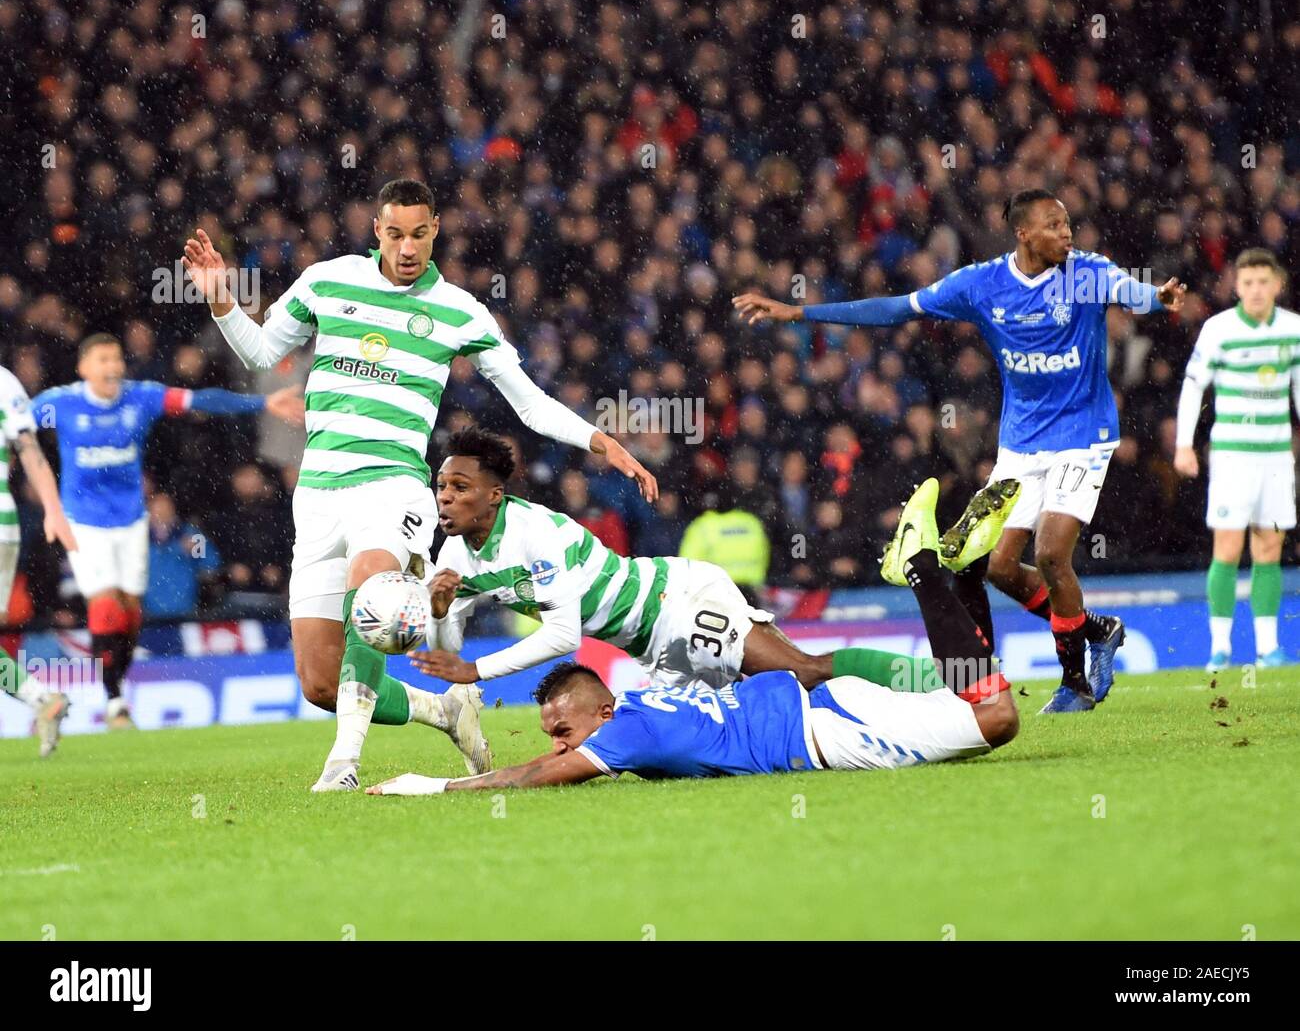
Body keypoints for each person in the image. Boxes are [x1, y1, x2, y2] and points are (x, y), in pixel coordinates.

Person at [182, 178, 659, 792]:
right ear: (377, 231)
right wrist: (222, 300)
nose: (408, 247)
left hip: (394, 485)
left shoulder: (460, 311)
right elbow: (259, 352)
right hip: (319, 491)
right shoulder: (328, 280)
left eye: (421, 234)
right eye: (396, 233)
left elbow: (531, 404)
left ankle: (343, 767)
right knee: (321, 684)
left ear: (436, 230)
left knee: (371, 592)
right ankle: (445, 710)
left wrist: (603, 442)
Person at [735, 188, 1187, 713]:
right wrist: (798, 313)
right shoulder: (981, 283)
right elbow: (895, 309)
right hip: (1021, 442)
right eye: (1053, 226)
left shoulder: (1085, 273)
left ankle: (1073, 683)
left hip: (1083, 436)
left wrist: (1157, 297)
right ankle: (1096, 629)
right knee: (995, 566)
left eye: (1068, 225)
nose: (1066, 235)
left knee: (1050, 553)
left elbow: (1128, 289)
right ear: (1023, 233)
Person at [365, 477, 1020, 795]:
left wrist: (436, 786)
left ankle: (922, 564)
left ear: (603, 710)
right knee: (955, 682)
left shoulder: (629, 729)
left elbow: (536, 773)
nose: (562, 742)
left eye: (565, 726)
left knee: (993, 715)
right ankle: (959, 575)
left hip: (826, 730)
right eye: (558, 733)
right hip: (812, 698)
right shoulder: (661, 681)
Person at [407, 428, 1021, 704]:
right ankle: (941, 689)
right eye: (441, 487)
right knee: (719, 725)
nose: (445, 498)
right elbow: (444, 641)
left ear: (495, 494)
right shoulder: (455, 552)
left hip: (677, 599)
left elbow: (565, 636)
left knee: (803, 671)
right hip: (650, 647)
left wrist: (476, 672)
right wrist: (439, 614)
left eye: (459, 487)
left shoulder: (532, 530)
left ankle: (950, 685)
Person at [32, 334, 302, 729]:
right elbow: (15, 427)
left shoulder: (140, 397)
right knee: (104, 605)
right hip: (83, 522)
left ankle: (116, 684)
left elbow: (202, 400)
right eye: (102, 359)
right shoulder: (59, 403)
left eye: (116, 359)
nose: (112, 367)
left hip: (131, 520)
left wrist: (262, 402)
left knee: (128, 612)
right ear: (83, 367)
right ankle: (114, 701)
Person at [1175, 248, 1300, 670]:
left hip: (1277, 456)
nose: (1256, 290)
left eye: (1264, 282)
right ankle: (1220, 649)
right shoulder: (1218, 330)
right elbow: (1194, 386)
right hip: (1232, 456)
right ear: (1237, 286)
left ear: (1277, 285)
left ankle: (1268, 649)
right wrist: (1183, 445)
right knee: (1227, 549)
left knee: (1269, 548)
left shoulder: (1293, 329)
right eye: (1248, 283)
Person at [0, 364, 77, 756]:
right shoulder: (4, 380)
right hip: (5, 524)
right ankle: (42, 699)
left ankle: (41, 699)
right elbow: (28, 448)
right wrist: (52, 507)